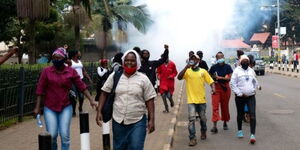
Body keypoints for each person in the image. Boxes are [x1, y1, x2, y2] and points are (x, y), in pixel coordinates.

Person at [33, 48, 97, 150]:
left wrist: (91, 100)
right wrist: (37, 108)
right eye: (54, 58)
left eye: (58, 58)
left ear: (64, 59)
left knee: (64, 135)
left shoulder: (71, 71)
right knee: (52, 135)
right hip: (50, 107)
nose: (55, 60)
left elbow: (82, 86)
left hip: (66, 107)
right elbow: (40, 90)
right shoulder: (46, 72)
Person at [96, 50, 157, 150]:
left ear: (137, 62)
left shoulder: (143, 78)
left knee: (136, 146)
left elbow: (150, 99)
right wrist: (99, 111)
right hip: (118, 120)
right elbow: (104, 93)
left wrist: (152, 120)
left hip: (138, 120)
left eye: (132, 61)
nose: (129, 63)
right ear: (123, 61)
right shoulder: (115, 76)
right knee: (119, 147)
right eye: (127, 60)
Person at [177, 54, 215, 146]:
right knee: (191, 120)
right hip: (191, 100)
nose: (193, 60)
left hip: (201, 100)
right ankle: (192, 138)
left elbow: (211, 81)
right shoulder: (187, 71)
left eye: (195, 59)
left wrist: (213, 88)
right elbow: (179, 77)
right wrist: (187, 66)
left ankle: (203, 131)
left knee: (203, 119)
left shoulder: (203, 71)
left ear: (198, 61)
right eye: (191, 59)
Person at [230, 55, 261, 144]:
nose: (245, 62)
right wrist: (240, 93)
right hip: (240, 97)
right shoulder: (236, 71)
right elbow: (232, 84)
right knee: (240, 114)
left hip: (251, 97)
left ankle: (252, 135)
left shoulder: (251, 71)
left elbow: (255, 81)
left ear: (249, 62)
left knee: (252, 115)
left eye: (247, 61)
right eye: (243, 61)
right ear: (240, 62)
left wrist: (256, 88)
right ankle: (240, 130)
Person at [209, 52, 233, 133]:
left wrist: (220, 77)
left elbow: (229, 78)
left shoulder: (228, 67)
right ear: (216, 59)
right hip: (216, 88)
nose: (220, 59)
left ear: (224, 57)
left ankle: (225, 122)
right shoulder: (213, 68)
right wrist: (212, 87)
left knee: (224, 106)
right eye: (218, 57)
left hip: (225, 89)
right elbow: (209, 79)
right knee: (215, 107)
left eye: (221, 57)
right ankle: (214, 126)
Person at [68, 50, 93, 116]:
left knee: (81, 96)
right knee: (73, 97)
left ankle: (80, 107)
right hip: (72, 81)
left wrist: (88, 78)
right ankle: (73, 111)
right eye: (78, 53)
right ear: (75, 54)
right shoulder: (70, 62)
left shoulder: (79, 62)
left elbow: (84, 71)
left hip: (80, 80)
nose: (79, 53)